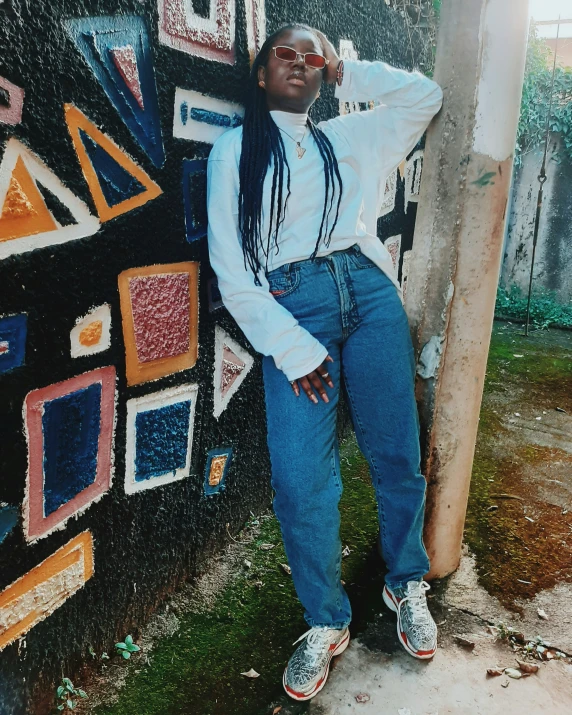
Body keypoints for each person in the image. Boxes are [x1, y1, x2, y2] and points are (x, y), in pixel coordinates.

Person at [207, 23, 443, 702]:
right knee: (301, 475)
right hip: (293, 310)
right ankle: (325, 619)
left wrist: (352, 73)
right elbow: (233, 269)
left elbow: (423, 97)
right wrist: (292, 346)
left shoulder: (351, 138)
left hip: (368, 296)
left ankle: (406, 581)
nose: (301, 64)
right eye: (287, 54)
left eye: (313, 58)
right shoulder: (234, 155)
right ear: (260, 74)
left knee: (395, 451)